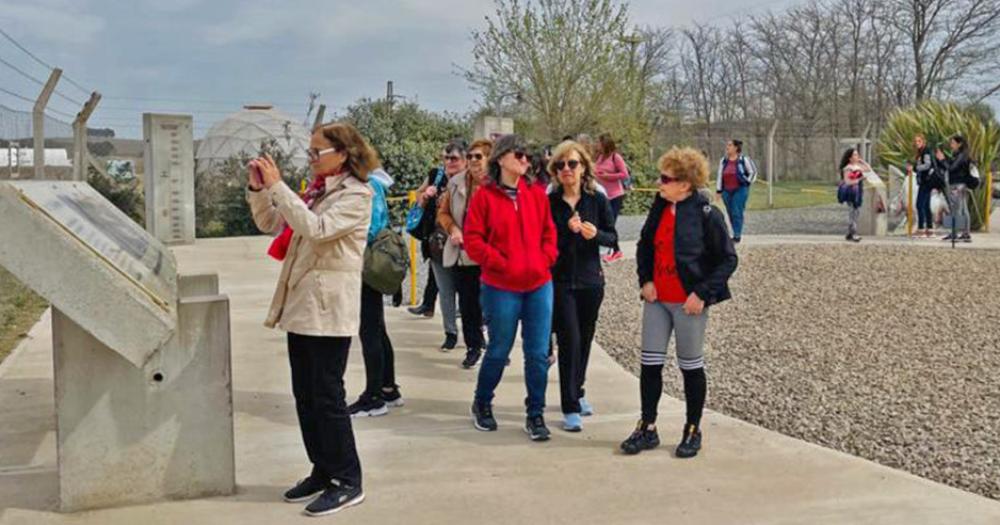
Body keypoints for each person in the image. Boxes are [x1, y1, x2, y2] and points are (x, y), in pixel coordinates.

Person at [246, 122, 376, 516]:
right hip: (302, 307)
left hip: (329, 310)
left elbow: (316, 230)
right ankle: (323, 468)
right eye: (311, 151)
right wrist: (260, 190)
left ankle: (348, 479)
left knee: (327, 396)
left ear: (344, 153)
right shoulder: (318, 191)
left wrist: (279, 188)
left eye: (317, 152)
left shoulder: (357, 195)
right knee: (305, 396)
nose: (312, 157)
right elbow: (271, 224)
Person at [620, 147, 737, 458]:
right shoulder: (660, 207)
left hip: (688, 303)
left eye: (666, 179)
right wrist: (644, 280)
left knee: (690, 366)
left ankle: (692, 429)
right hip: (657, 300)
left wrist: (702, 293)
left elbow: (728, 259)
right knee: (650, 364)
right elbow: (645, 244)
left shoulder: (707, 214)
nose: (660, 183)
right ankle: (647, 427)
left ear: (685, 184)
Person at [464, 134, 558, 442]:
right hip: (500, 286)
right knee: (499, 348)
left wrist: (545, 259)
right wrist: (500, 262)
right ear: (501, 158)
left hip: (538, 285)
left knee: (537, 353)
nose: (525, 160)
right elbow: (473, 239)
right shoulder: (484, 197)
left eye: (527, 156)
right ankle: (482, 401)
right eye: (519, 154)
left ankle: (535, 413)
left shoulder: (537, 195)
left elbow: (549, 234)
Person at [547, 141, 617, 432]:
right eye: (561, 165)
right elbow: (546, 243)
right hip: (561, 282)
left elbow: (612, 237)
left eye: (572, 164)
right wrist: (567, 230)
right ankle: (570, 406)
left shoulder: (596, 200)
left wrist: (594, 233)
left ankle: (579, 390)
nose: (567, 170)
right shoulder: (550, 203)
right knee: (569, 341)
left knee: (585, 341)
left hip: (591, 281)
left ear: (584, 167)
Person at [349, 169, 404, 417]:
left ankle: (374, 396)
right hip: (374, 260)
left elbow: (369, 228)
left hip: (365, 262)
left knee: (370, 329)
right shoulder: (374, 182)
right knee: (377, 328)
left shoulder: (365, 185)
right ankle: (388, 388)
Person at [437, 139, 492, 369]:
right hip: (464, 254)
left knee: (492, 304)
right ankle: (473, 347)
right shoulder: (456, 183)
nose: (472, 161)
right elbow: (444, 213)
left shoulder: (498, 185)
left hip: (490, 255)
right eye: (470, 156)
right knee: (468, 304)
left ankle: (495, 346)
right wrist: (453, 229)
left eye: (478, 156)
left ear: (489, 159)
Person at [410, 141, 466, 349]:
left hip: (465, 244)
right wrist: (425, 197)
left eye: (454, 158)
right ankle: (450, 333)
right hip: (438, 243)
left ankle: (475, 336)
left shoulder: (471, 180)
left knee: (470, 293)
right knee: (445, 290)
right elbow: (418, 197)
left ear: (465, 160)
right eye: (446, 158)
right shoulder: (436, 176)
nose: (449, 162)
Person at [594, 133, 629, 262]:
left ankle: (614, 250)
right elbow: (597, 170)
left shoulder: (616, 157)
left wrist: (607, 176)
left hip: (615, 195)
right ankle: (614, 249)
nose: (597, 145)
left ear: (605, 144)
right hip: (603, 196)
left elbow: (624, 174)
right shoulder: (600, 157)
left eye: (599, 143)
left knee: (610, 223)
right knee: (603, 222)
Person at [715, 139, 758, 243]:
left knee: (736, 211)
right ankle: (734, 232)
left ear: (736, 148)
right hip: (726, 190)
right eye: (727, 145)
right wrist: (719, 190)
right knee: (730, 212)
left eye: (729, 145)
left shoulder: (744, 159)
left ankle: (737, 235)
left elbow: (753, 172)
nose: (727, 147)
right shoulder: (723, 161)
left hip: (740, 189)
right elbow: (720, 175)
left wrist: (747, 182)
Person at [936, 134, 973, 243]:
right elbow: (951, 166)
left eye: (953, 143)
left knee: (955, 209)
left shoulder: (961, 155)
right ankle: (966, 234)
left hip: (957, 185)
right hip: (961, 184)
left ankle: (954, 234)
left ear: (959, 144)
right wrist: (943, 159)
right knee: (964, 209)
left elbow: (951, 168)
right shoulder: (960, 155)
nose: (951, 145)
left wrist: (942, 160)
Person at [908, 134, 938, 238]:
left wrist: (915, 168)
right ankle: (929, 230)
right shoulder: (921, 152)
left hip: (926, 182)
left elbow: (927, 165)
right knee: (925, 206)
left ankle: (921, 229)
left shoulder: (926, 151)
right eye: (916, 141)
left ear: (923, 142)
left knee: (919, 205)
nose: (917, 143)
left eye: (919, 141)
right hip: (926, 181)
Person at [839, 148, 868, 243]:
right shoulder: (848, 168)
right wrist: (860, 179)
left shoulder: (857, 166)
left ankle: (849, 233)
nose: (857, 156)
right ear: (850, 158)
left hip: (858, 190)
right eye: (855, 155)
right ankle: (853, 233)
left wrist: (862, 161)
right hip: (851, 191)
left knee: (857, 212)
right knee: (853, 212)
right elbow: (848, 181)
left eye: (857, 154)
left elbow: (868, 169)